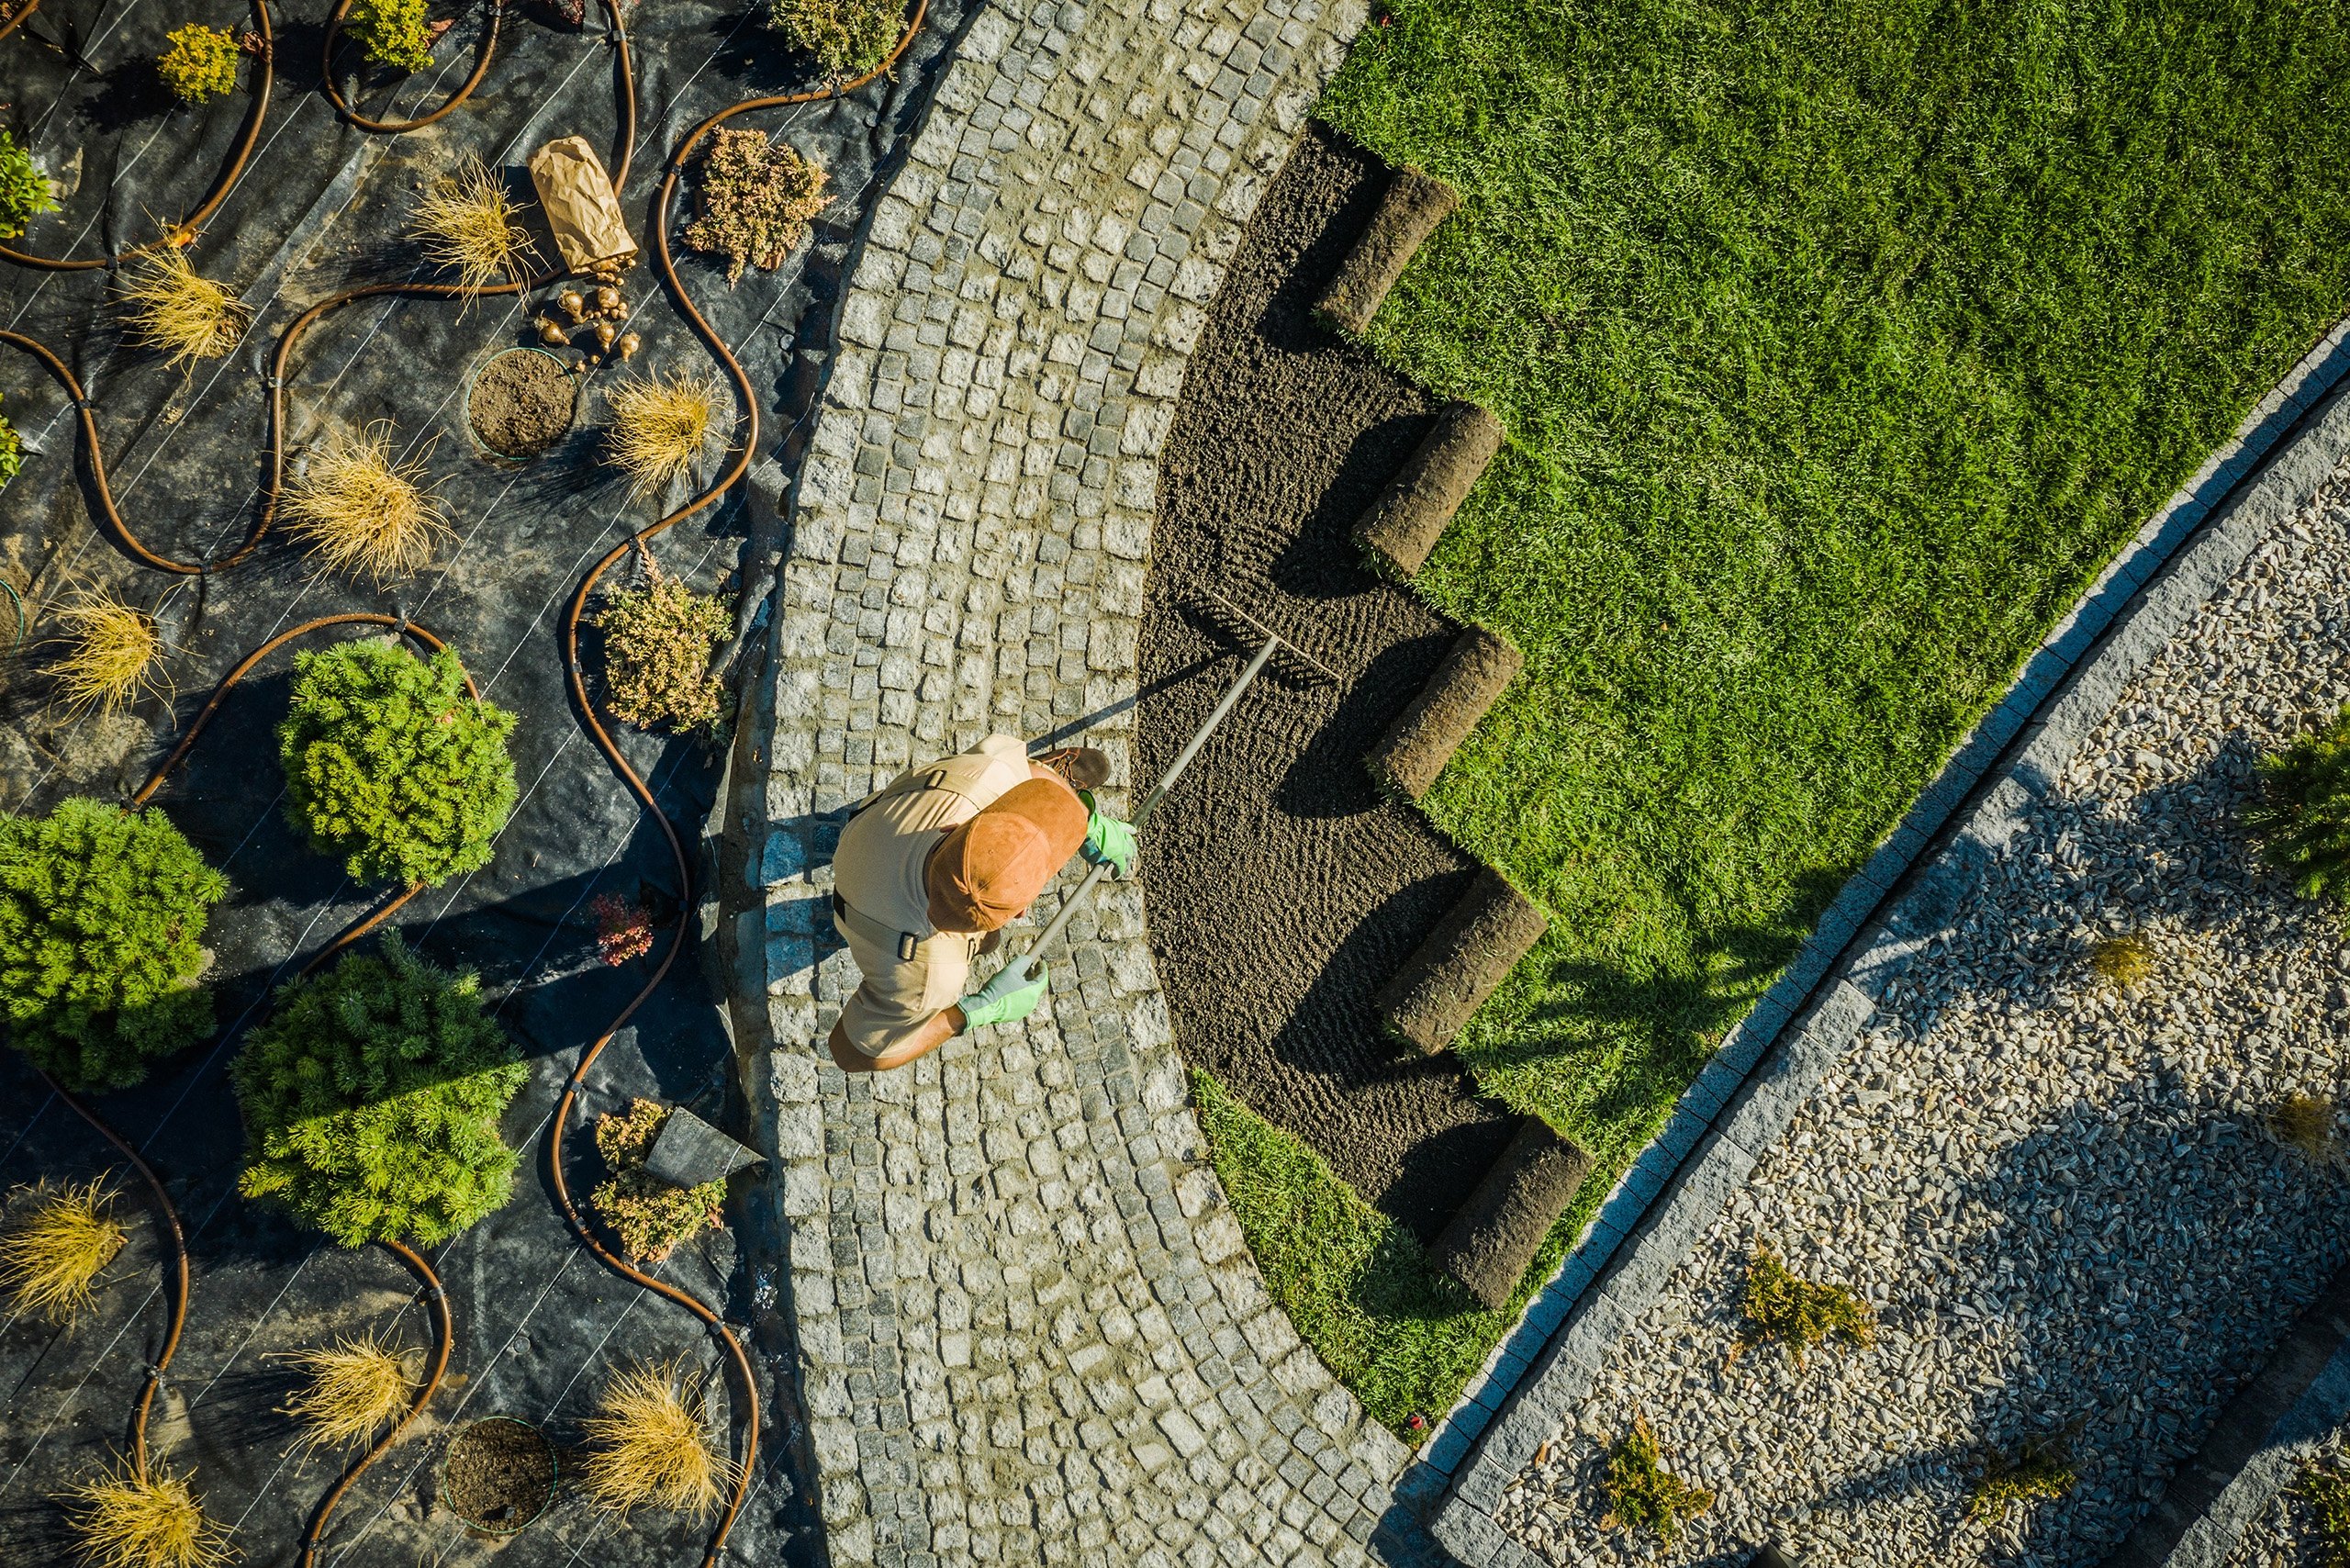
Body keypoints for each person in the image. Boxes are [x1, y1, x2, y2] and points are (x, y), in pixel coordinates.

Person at [825, 735, 1138, 1072]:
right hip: (868, 923)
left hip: (868, 836)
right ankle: (979, 937)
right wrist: (971, 1012)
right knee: (985, 942)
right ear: (1020, 912)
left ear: (953, 827)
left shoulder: (985, 777)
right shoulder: (933, 980)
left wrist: (1080, 821)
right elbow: (849, 1054)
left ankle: (980, 934)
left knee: (1024, 779)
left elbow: (1028, 775)